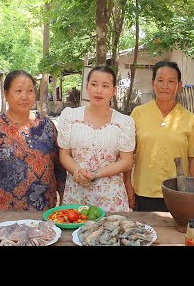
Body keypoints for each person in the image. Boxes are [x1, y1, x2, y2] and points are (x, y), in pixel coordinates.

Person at [0, 70, 66, 211]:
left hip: (44, 213)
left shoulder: (47, 126)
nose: (25, 96)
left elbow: (60, 170)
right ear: (6, 94)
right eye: (18, 91)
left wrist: (63, 206)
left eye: (30, 91)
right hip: (2, 216)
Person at [56, 65, 135, 212]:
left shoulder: (124, 122)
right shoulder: (70, 117)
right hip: (76, 194)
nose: (99, 90)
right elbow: (64, 154)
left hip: (111, 198)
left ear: (114, 90)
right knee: (73, 233)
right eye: (94, 84)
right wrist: (77, 171)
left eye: (105, 86)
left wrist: (95, 174)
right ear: (86, 87)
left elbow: (127, 162)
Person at [130, 61, 194, 212]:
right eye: (160, 80)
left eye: (171, 81)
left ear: (179, 85)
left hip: (178, 192)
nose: (165, 86)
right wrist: (129, 187)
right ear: (153, 83)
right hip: (144, 190)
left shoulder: (189, 119)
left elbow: (192, 157)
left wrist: (191, 193)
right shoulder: (138, 114)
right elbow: (129, 154)